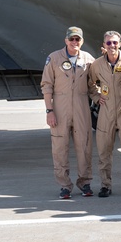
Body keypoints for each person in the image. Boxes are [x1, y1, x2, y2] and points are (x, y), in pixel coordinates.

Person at [42, 26, 96, 199]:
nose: (74, 42)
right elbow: (47, 85)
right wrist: (49, 110)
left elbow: (94, 82)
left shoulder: (88, 59)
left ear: (82, 41)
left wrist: (101, 97)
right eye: (71, 39)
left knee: (84, 147)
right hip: (59, 107)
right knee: (59, 148)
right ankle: (64, 186)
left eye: (77, 39)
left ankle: (85, 183)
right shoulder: (54, 58)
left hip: (81, 108)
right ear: (65, 40)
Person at [88, 30, 121, 198]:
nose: (112, 46)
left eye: (115, 42)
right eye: (108, 43)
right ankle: (105, 185)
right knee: (104, 151)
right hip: (106, 112)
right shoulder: (96, 65)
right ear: (104, 45)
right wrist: (96, 97)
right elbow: (90, 83)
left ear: (120, 44)